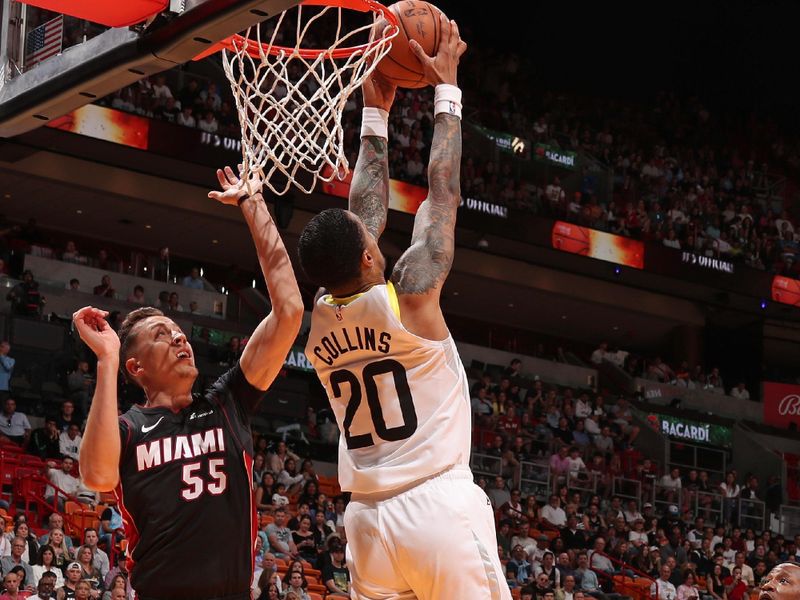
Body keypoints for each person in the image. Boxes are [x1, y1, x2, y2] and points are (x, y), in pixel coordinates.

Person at [298, 21, 506, 600]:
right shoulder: (410, 297)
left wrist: (375, 115)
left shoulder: (320, 314)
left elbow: (359, 217)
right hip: (435, 507)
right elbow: (443, 193)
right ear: (368, 253)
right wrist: (447, 92)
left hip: (366, 521)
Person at [72, 164, 303, 600]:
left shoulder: (227, 402)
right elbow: (97, 474)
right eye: (161, 335)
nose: (179, 337)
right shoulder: (129, 428)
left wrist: (254, 205)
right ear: (135, 367)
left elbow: (289, 310)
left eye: (178, 331)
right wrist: (106, 358)